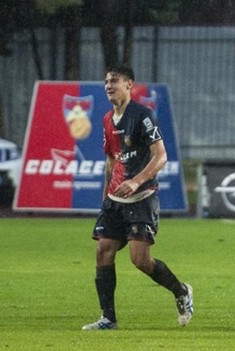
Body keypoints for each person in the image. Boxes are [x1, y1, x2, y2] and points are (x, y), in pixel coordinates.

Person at [82, 63, 194, 330]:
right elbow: (111, 160)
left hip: (141, 198)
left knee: (140, 260)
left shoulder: (143, 115)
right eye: (107, 81)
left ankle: (181, 292)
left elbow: (161, 156)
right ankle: (108, 318)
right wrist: (105, 196)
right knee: (103, 251)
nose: (109, 85)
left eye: (115, 81)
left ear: (129, 84)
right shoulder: (107, 120)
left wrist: (135, 181)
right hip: (115, 201)